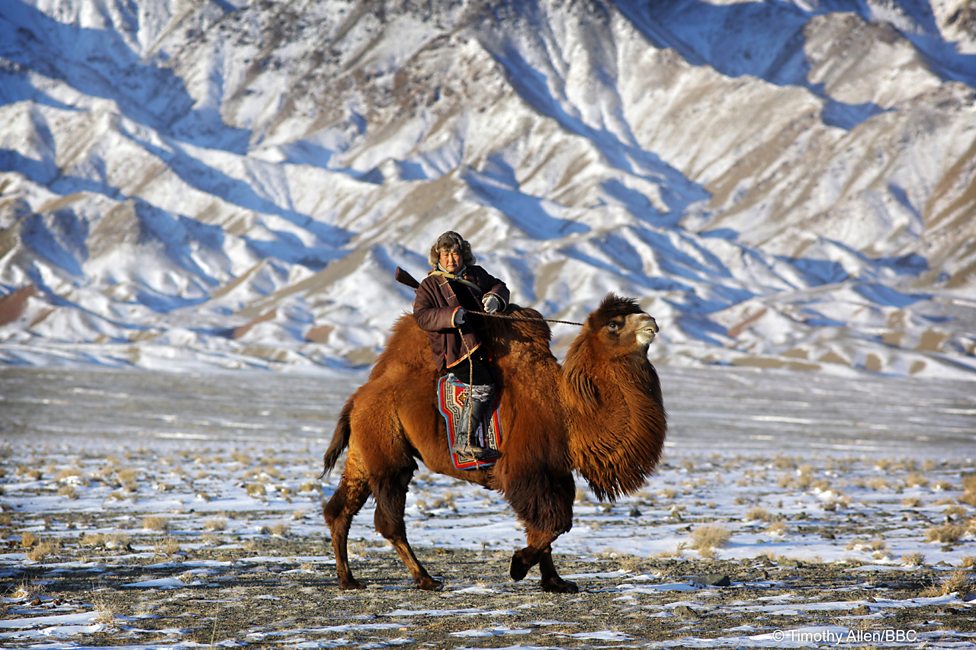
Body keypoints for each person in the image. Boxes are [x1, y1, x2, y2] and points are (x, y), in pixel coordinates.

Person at [413, 231, 509, 461]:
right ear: (438, 256)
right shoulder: (430, 285)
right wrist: (450, 317)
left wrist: (495, 298)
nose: (450, 260)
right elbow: (422, 316)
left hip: (482, 345)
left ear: (463, 254)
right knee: (483, 385)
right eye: (445, 254)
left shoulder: (475, 275)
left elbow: (499, 285)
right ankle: (465, 441)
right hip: (455, 350)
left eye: (454, 254)